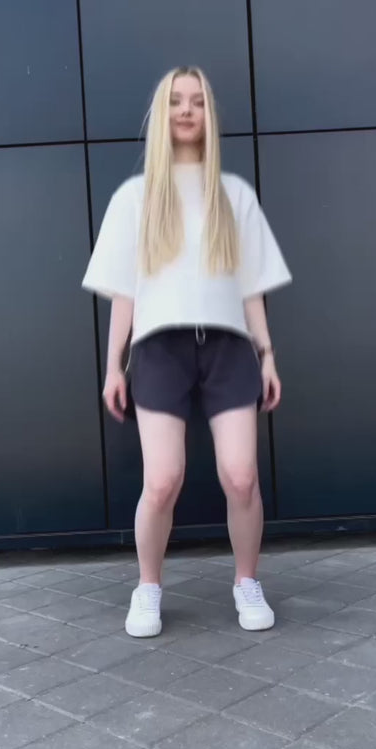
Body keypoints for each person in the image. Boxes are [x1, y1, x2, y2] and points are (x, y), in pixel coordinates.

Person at [82, 66, 291, 638]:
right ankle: (147, 587)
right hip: (159, 349)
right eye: (176, 101)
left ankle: (246, 581)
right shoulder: (136, 198)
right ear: (162, 114)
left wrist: (267, 354)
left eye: (197, 101)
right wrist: (112, 366)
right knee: (163, 480)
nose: (186, 110)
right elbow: (126, 290)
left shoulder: (235, 195)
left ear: (208, 115)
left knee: (242, 475)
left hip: (227, 348)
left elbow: (251, 286)